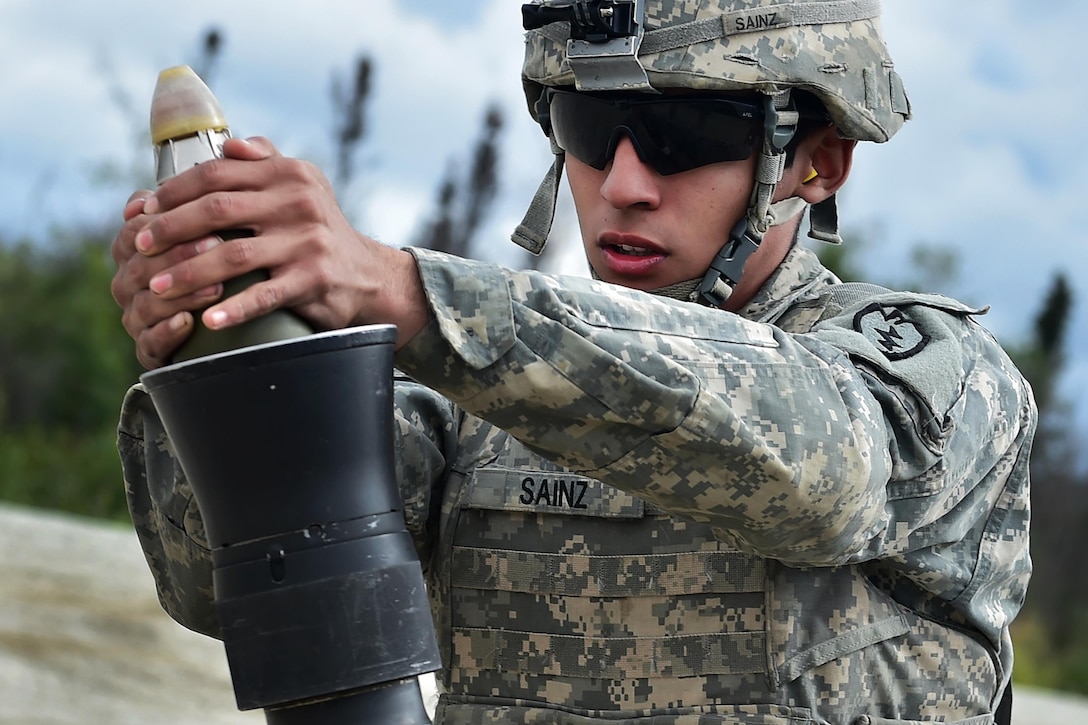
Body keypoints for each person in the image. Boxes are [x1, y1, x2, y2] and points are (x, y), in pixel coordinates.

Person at [111, 1, 1035, 723]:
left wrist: (407, 294)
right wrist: (218, 337)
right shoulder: (482, 418)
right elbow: (218, 586)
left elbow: (818, 471)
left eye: (686, 136)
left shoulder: (939, 379)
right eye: (592, 130)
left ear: (819, 162)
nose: (625, 184)